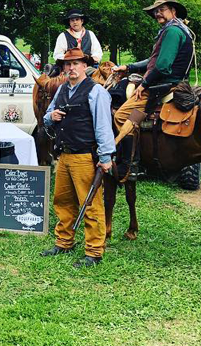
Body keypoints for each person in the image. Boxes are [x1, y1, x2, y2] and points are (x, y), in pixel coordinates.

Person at [41, 49, 115, 266]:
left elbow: (103, 126)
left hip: (85, 156)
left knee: (90, 204)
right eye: (67, 64)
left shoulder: (96, 92)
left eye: (76, 64)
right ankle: (64, 242)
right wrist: (50, 116)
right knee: (62, 201)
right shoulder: (62, 89)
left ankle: (94, 251)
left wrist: (106, 156)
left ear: (85, 66)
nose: (71, 68)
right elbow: (49, 114)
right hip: (64, 155)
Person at [112, 0, 194, 176]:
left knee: (121, 116)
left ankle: (130, 164)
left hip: (164, 85)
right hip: (171, 82)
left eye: (162, 9)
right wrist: (130, 67)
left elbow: (163, 66)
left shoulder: (172, 31)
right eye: (156, 11)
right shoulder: (175, 29)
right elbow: (154, 60)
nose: (158, 13)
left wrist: (144, 84)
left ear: (173, 10)